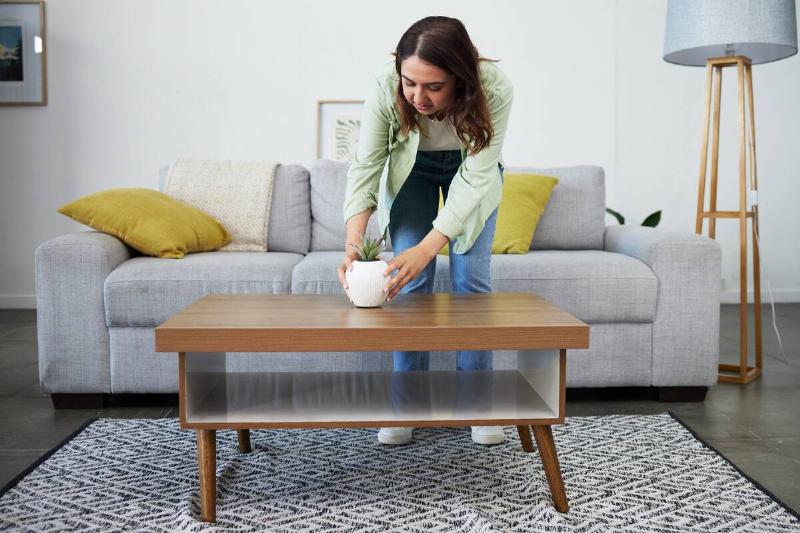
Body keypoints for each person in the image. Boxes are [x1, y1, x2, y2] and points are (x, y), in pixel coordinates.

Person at [336, 16, 513, 446]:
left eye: (433, 86)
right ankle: (407, 404)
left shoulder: (495, 88)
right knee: (407, 281)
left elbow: (476, 178)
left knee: (471, 280)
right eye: (410, 83)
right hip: (411, 170)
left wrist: (430, 247)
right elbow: (368, 163)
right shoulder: (385, 84)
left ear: (460, 77)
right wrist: (353, 244)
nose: (419, 96)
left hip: (471, 174)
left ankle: (478, 405)